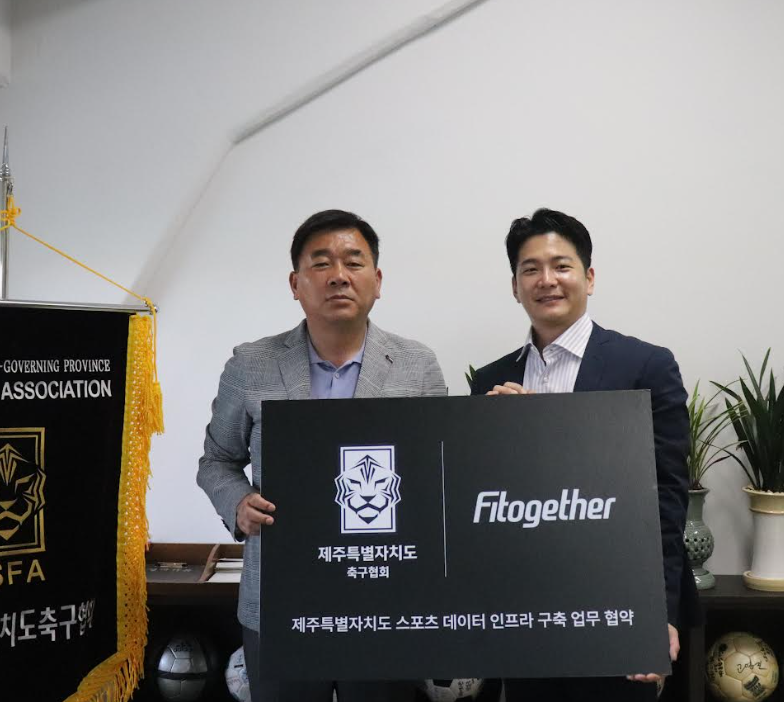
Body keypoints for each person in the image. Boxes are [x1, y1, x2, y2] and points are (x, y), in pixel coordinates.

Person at [198, 209, 447, 702]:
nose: (338, 276)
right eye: (321, 263)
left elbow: (438, 472)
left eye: (354, 262)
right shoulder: (251, 364)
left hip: (387, 600)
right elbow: (217, 461)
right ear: (296, 283)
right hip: (283, 599)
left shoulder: (417, 366)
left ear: (377, 280)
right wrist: (238, 504)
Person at [469, 208, 697, 701]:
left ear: (589, 278)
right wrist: (492, 439)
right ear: (515, 286)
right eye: (531, 269)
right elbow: (485, 507)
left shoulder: (646, 366)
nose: (547, 280)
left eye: (562, 266)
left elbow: (666, 499)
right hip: (525, 614)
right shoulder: (491, 381)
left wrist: (656, 615)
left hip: (616, 607)